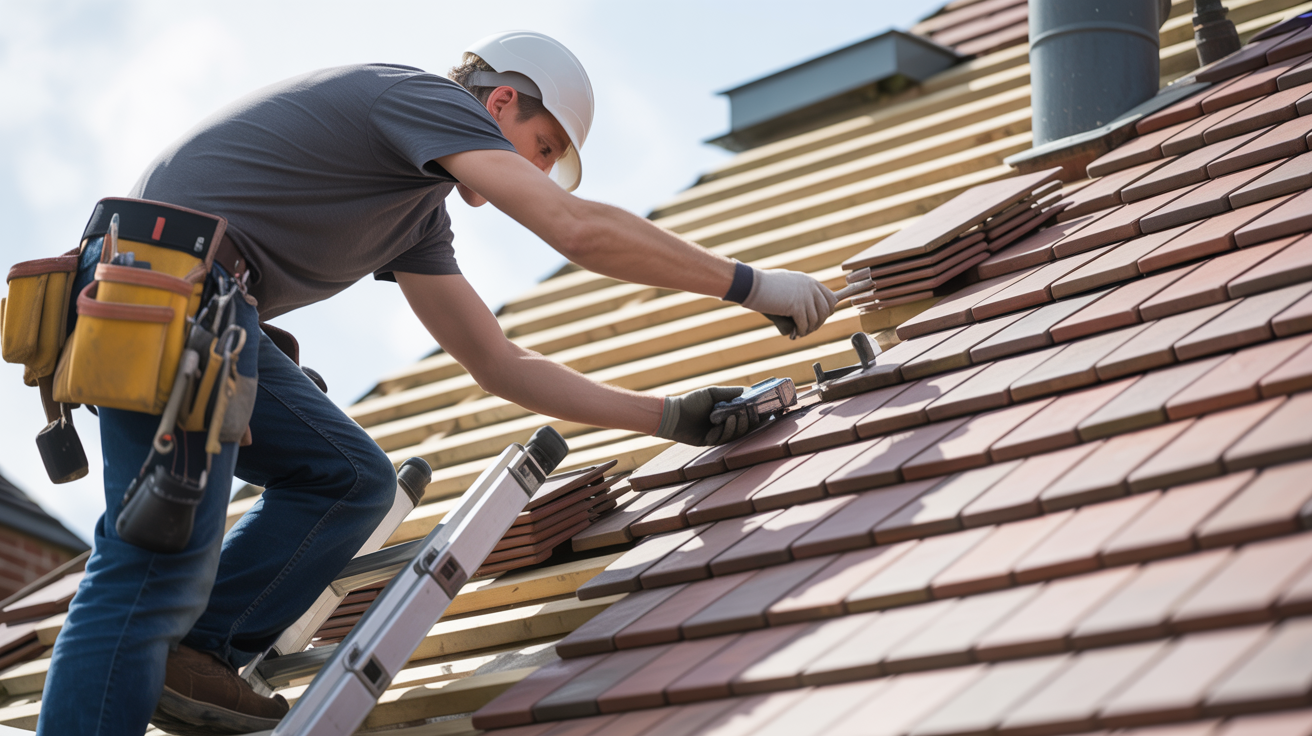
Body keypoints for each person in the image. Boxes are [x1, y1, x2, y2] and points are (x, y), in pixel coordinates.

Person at [36, 31, 837, 736]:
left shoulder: (418, 213)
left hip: (192, 302)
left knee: (348, 480)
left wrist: (671, 418)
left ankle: (198, 651)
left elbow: (497, 363)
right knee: (150, 561)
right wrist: (750, 284)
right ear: (497, 101)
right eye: (544, 146)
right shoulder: (416, 97)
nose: (543, 170)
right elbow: (577, 229)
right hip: (169, 291)